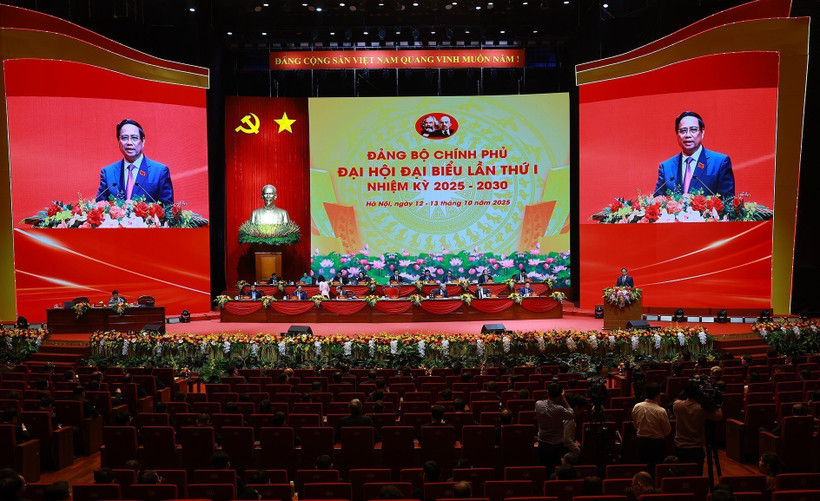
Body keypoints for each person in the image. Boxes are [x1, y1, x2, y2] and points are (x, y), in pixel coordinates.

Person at [654, 111, 735, 200]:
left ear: (702, 132)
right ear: (677, 134)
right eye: (683, 131)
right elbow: (657, 203)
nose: (688, 135)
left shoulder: (719, 163)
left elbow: (728, 203)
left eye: (693, 130)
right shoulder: (666, 167)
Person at [96, 119, 173, 206]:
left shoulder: (159, 172)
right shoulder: (108, 172)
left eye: (134, 138)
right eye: (124, 138)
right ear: (118, 141)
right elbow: (99, 208)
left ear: (143, 141)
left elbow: (168, 211)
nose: (129, 143)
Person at [672, 378, 723, 474]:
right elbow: (719, 416)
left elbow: (680, 401)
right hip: (695, 449)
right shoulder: (702, 409)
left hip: (679, 447)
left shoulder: (677, 405)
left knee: (680, 475)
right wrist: (717, 403)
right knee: (696, 476)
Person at [632, 382, 672, 474]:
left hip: (641, 442)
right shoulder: (661, 411)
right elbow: (667, 430)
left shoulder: (637, 406)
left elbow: (636, 425)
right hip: (657, 443)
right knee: (655, 470)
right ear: (658, 395)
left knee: (643, 469)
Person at [535, 383, 575, 473]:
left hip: (543, 443)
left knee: (544, 468)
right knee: (555, 469)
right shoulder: (559, 409)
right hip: (556, 445)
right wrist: (564, 399)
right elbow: (572, 414)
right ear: (560, 395)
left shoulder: (538, 404)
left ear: (547, 393)